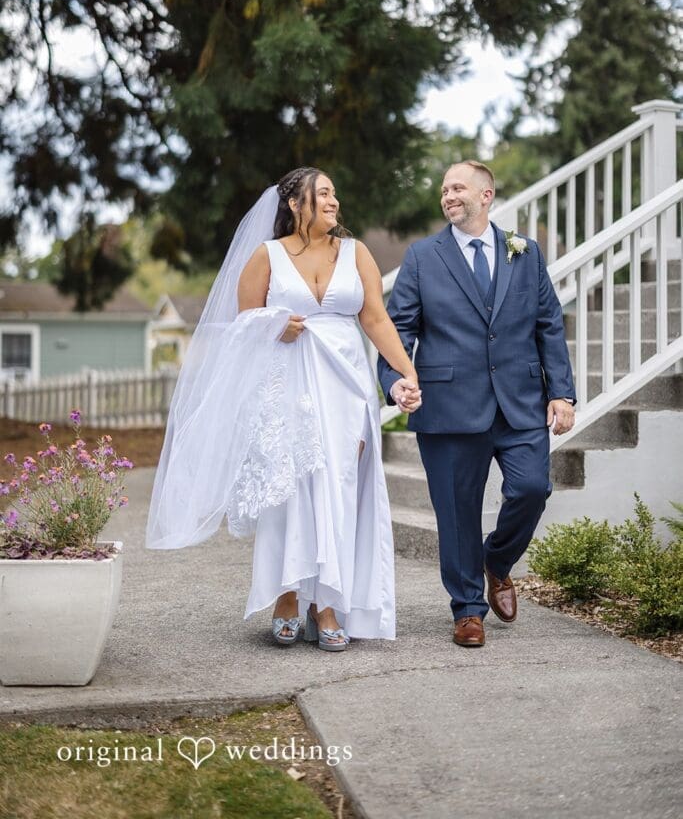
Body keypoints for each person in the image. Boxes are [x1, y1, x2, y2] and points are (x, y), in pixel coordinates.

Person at [146, 166, 421, 652]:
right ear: (295, 204)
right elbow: (240, 326)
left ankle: (330, 603)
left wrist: (405, 372)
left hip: (345, 383)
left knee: (338, 487)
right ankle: (287, 595)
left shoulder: (356, 253)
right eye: (324, 194)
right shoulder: (266, 255)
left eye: (336, 194)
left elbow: (375, 317)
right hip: (285, 384)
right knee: (290, 489)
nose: (335, 202)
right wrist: (276, 323)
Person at [378, 160, 576, 648]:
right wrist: (394, 381)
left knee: (532, 488)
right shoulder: (423, 256)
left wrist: (561, 391)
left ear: (486, 195)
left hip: (520, 403)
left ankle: (497, 563)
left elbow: (548, 322)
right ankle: (467, 609)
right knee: (457, 513)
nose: (448, 196)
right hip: (448, 406)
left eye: (458, 188)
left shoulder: (525, 253)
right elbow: (397, 328)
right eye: (444, 189)